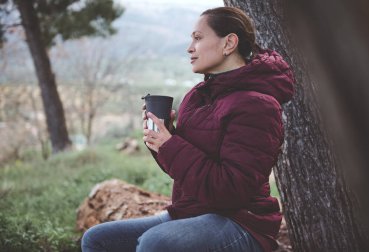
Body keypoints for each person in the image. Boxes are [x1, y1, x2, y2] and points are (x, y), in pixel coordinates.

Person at [81, 6, 294, 252]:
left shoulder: (258, 106)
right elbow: (183, 170)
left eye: (198, 38)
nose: (189, 47)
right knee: (97, 239)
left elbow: (231, 190)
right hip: (191, 211)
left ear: (229, 43)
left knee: (155, 244)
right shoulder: (197, 96)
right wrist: (162, 137)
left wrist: (171, 144)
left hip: (241, 223)